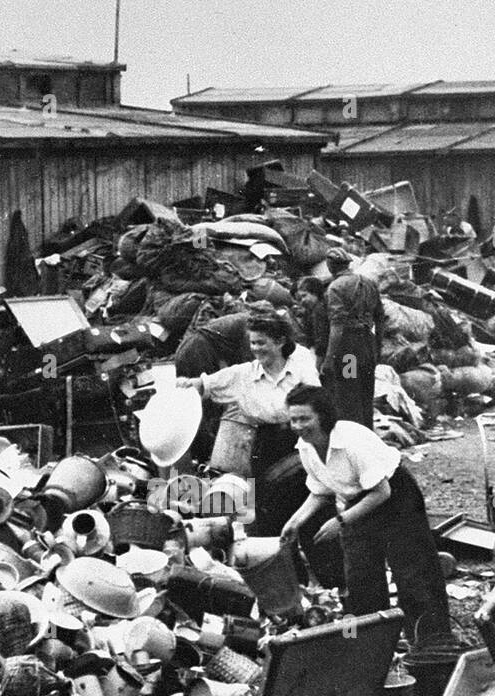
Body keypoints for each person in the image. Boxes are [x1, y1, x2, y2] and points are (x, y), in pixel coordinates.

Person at [280, 384, 452, 646]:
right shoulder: (306, 447)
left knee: (413, 575)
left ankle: (432, 645)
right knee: (361, 578)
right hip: (358, 502)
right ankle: (376, 646)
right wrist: (294, 522)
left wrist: (340, 521)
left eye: (305, 419)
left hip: (396, 497)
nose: (298, 426)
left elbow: (382, 492)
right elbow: (320, 490)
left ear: (323, 417)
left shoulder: (351, 440)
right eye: (293, 419)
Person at [178, 308, 319, 534]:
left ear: (281, 341)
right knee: (270, 511)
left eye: (261, 343)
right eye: (252, 343)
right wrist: (187, 384)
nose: (255, 349)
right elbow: (204, 384)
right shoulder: (243, 374)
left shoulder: (300, 360)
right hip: (265, 445)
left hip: (300, 439)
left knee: (309, 507)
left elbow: (315, 399)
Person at [322, 247, 386, 431]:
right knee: (367, 392)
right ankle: (369, 436)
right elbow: (380, 318)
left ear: (330, 265)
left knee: (350, 392)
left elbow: (337, 325)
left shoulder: (335, 287)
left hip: (349, 348)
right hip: (367, 344)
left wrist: (329, 359)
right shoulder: (369, 283)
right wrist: (378, 346)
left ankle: (356, 440)